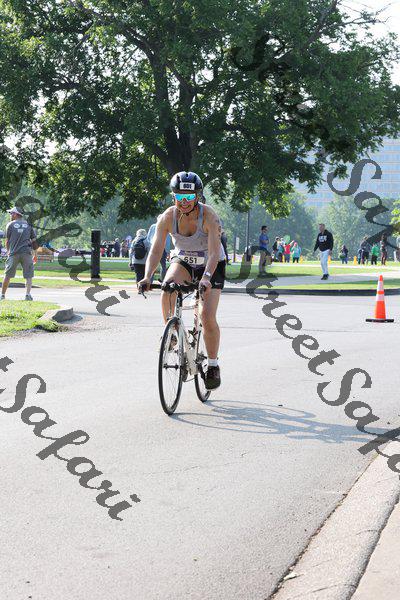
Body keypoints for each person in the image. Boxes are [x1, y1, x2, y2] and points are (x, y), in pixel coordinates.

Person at [138, 171, 225, 390]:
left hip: (211, 264)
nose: (184, 201)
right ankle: (172, 334)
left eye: (189, 197)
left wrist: (206, 278)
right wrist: (147, 276)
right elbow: (156, 250)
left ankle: (213, 364)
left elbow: (214, 253)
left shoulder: (209, 216)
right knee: (168, 287)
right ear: (173, 196)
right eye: (179, 197)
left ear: (197, 196)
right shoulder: (168, 217)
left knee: (206, 316)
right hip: (184, 260)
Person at [1, 206, 37, 301]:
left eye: (11, 213)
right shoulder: (28, 225)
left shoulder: (10, 225)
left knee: (7, 275)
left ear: (16, 214)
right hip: (27, 253)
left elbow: (7, 241)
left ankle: (2, 295)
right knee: (28, 275)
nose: (10, 215)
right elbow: (34, 241)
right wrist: (35, 254)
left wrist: (8, 252)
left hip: (14, 253)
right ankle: (27, 295)